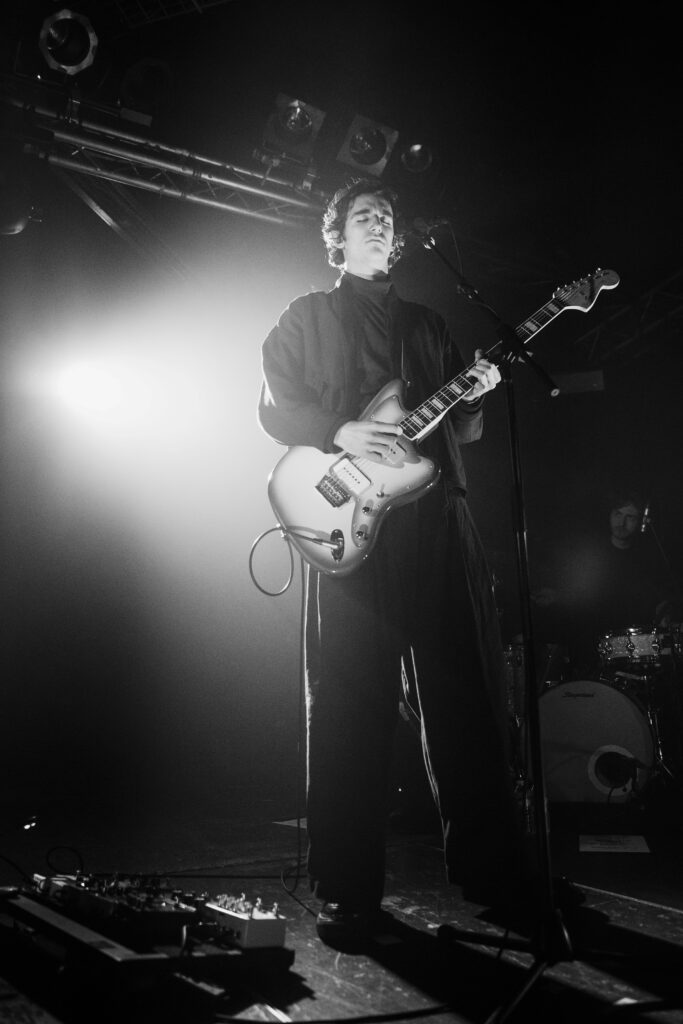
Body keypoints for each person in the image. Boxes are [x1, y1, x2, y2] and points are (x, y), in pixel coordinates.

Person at [257, 176, 538, 950]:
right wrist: (343, 431)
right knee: (350, 702)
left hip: (436, 522)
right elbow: (274, 405)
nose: (378, 223)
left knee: (468, 698)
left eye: (386, 216)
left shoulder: (428, 323)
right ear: (336, 238)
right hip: (349, 524)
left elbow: (464, 435)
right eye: (362, 216)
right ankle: (346, 889)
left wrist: (475, 392)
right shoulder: (304, 317)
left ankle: (493, 873)